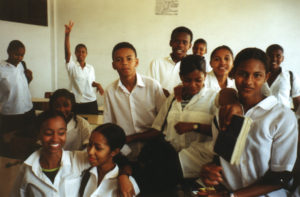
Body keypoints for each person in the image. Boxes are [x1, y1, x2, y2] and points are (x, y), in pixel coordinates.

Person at [200, 48, 298, 197]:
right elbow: (221, 159)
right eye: (243, 74)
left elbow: (280, 177)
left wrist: (232, 196)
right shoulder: (223, 113)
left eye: (257, 75)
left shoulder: (282, 117)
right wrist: (210, 173)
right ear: (233, 74)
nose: (248, 81)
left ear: (267, 77)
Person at [151, 55, 217, 179]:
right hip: (169, 162)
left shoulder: (214, 99)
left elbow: (220, 132)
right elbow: (158, 126)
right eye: (187, 80)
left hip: (198, 165)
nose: (192, 85)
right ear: (181, 77)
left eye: (198, 80)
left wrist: (195, 126)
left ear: (205, 76)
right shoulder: (173, 98)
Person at [103, 42, 166, 161]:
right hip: (124, 151)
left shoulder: (152, 86)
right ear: (113, 65)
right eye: (119, 60)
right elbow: (109, 125)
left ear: (136, 62)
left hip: (154, 148)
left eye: (129, 59)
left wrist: (132, 138)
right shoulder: (110, 91)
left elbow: (163, 122)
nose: (124, 63)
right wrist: (123, 150)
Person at [10, 110, 89, 197]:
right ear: (38, 134)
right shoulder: (27, 168)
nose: (55, 139)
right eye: (48, 133)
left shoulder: (77, 159)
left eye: (61, 133)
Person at [80, 123, 140, 197]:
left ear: (114, 152)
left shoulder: (128, 185)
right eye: (89, 144)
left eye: (98, 148)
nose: (90, 152)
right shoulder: (84, 173)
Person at [64, 21, 104, 114]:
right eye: (78, 51)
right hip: (77, 102)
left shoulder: (90, 68)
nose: (81, 54)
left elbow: (91, 82)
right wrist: (67, 35)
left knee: (92, 126)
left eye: (83, 51)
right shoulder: (72, 66)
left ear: (86, 54)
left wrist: (98, 85)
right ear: (75, 53)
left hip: (91, 101)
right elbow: (67, 52)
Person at [0, 40, 35, 136]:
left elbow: (21, 86)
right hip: (11, 114)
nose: (19, 58)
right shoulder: (1, 68)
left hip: (28, 110)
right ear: (9, 51)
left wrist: (29, 79)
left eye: (22, 55)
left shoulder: (22, 65)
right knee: (11, 143)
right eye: (16, 54)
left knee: (28, 141)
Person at [147, 26, 193, 96]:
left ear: (190, 46)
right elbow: (148, 88)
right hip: (159, 105)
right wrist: (160, 92)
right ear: (170, 42)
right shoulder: (156, 63)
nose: (180, 45)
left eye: (185, 42)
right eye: (177, 41)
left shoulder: (193, 66)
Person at [263, 44, 300, 116]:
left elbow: (298, 104)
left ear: (282, 58)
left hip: (283, 120)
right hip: (260, 120)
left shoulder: (291, 76)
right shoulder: (258, 76)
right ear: (265, 57)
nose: (274, 59)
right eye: (270, 55)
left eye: (278, 56)